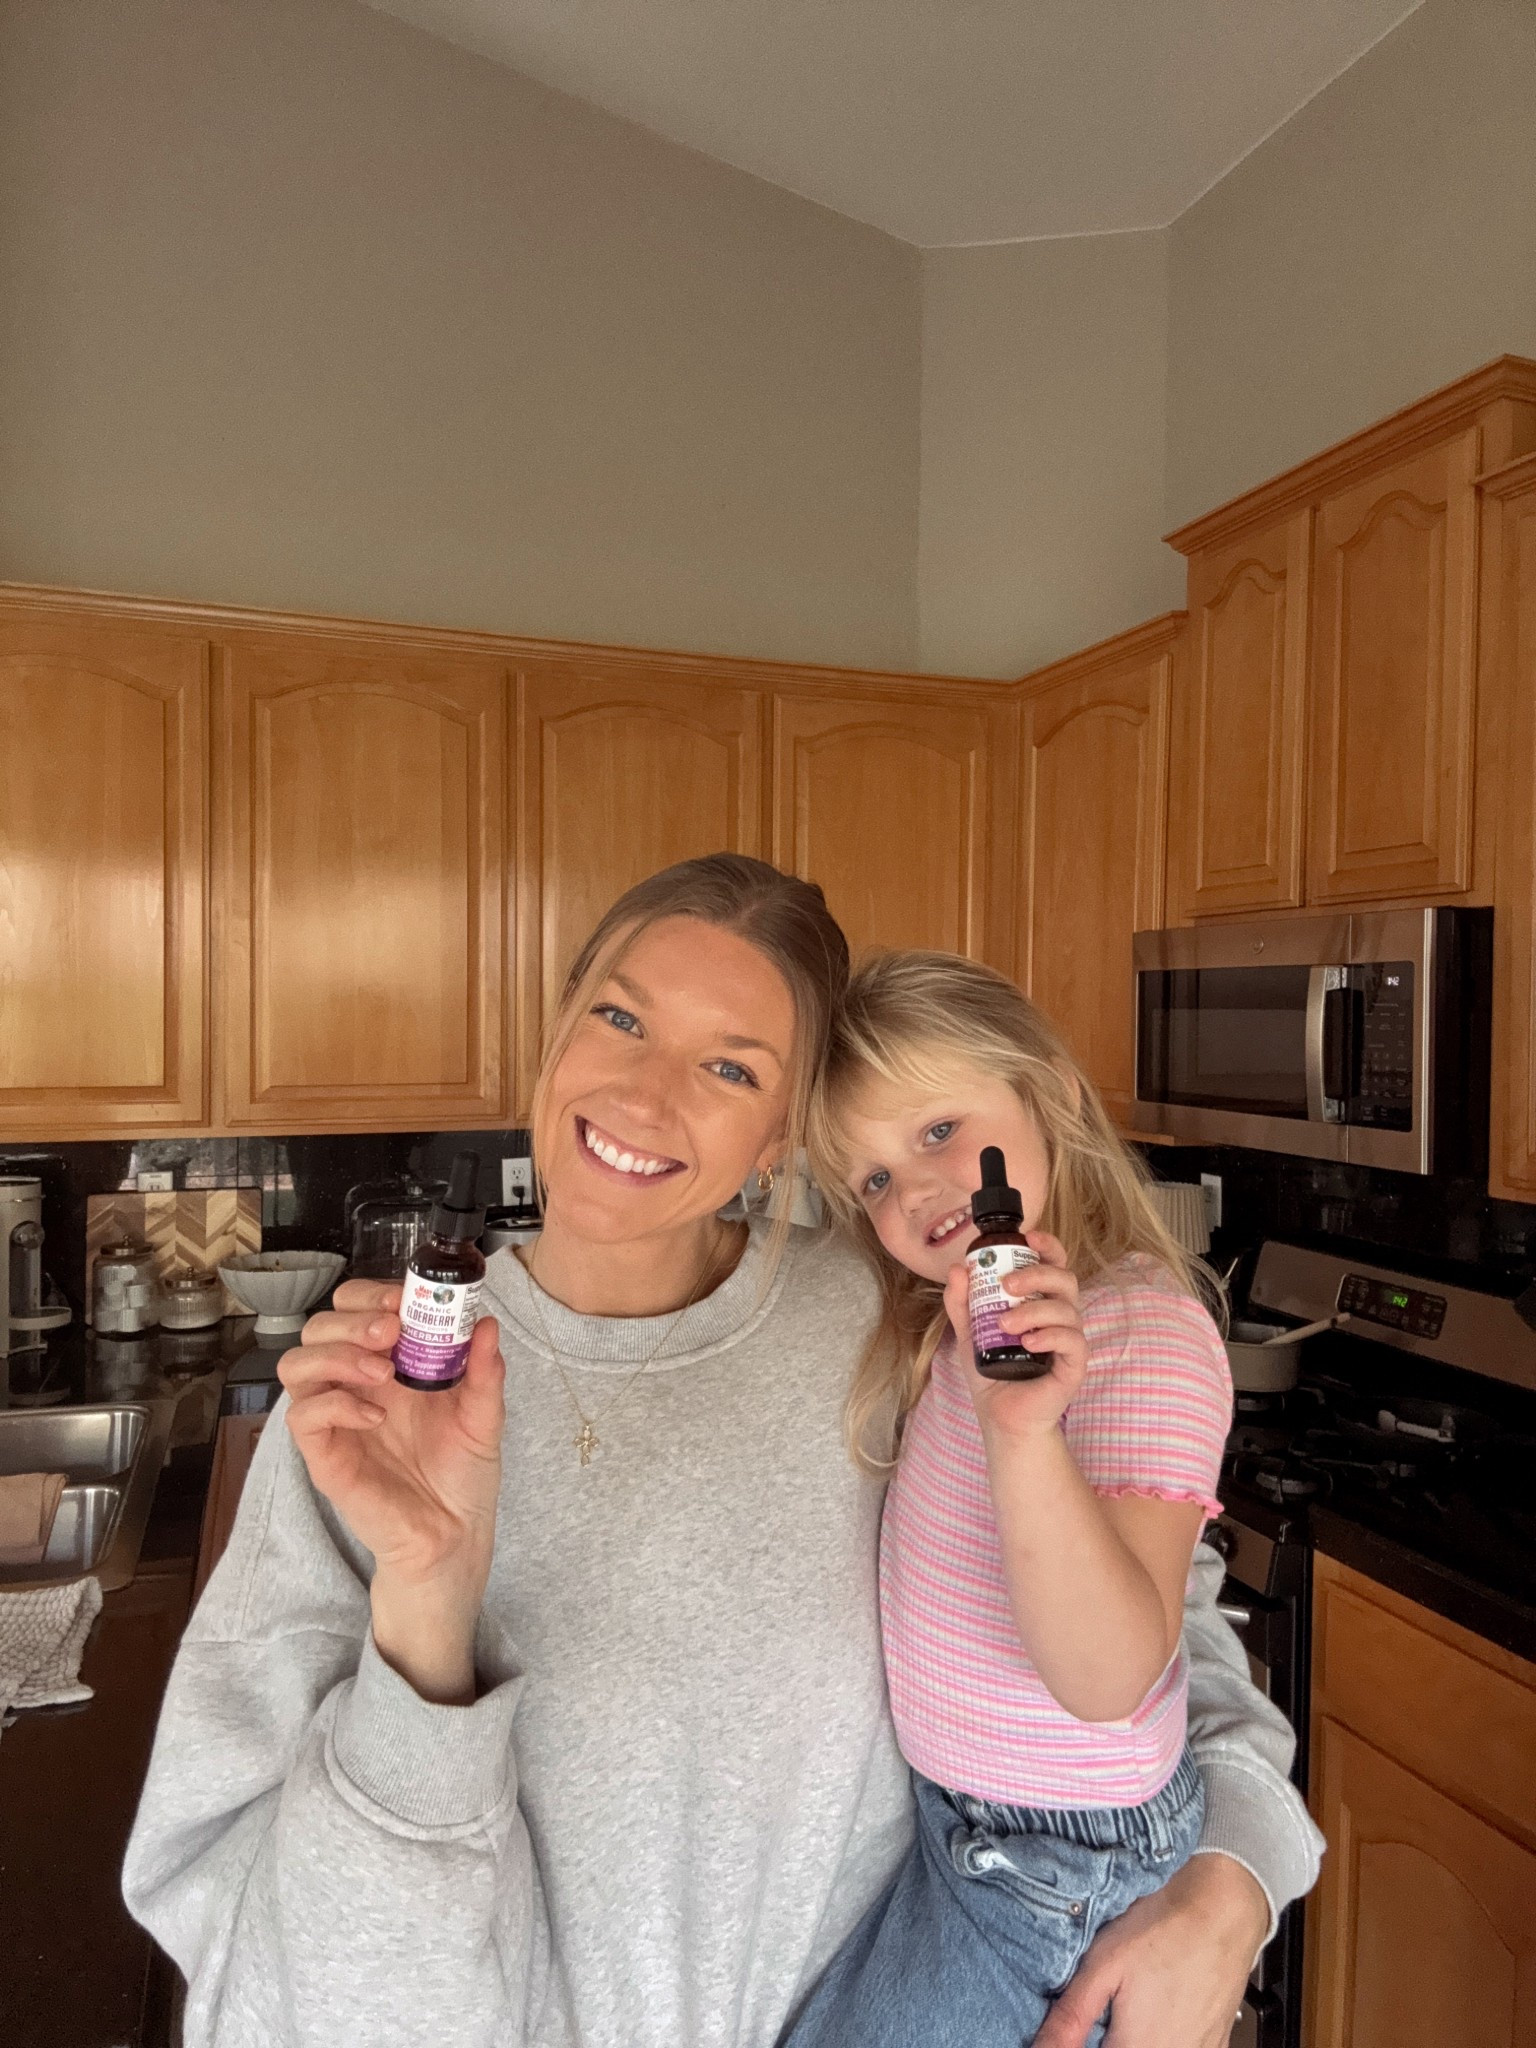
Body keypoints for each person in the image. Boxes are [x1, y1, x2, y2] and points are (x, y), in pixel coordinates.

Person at [123, 855, 1322, 2048]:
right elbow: (243, 1921)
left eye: (731, 1066)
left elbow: (1158, 1601)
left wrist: (1233, 1872)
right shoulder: (373, 1410)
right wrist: (427, 1616)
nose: (645, 1095)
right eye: (621, 1014)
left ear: (778, 1141)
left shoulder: (888, 1313)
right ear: (557, 1030)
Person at [786, 949, 1236, 2048]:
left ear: (1053, 1093)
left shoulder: (1141, 1334)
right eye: (877, 1179)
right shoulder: (951, 1323)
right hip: (956, 1826)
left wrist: (1024, 1431)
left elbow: (1113, 1673)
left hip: (1059, 1857)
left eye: (938, 1131)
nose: (922, 1190)